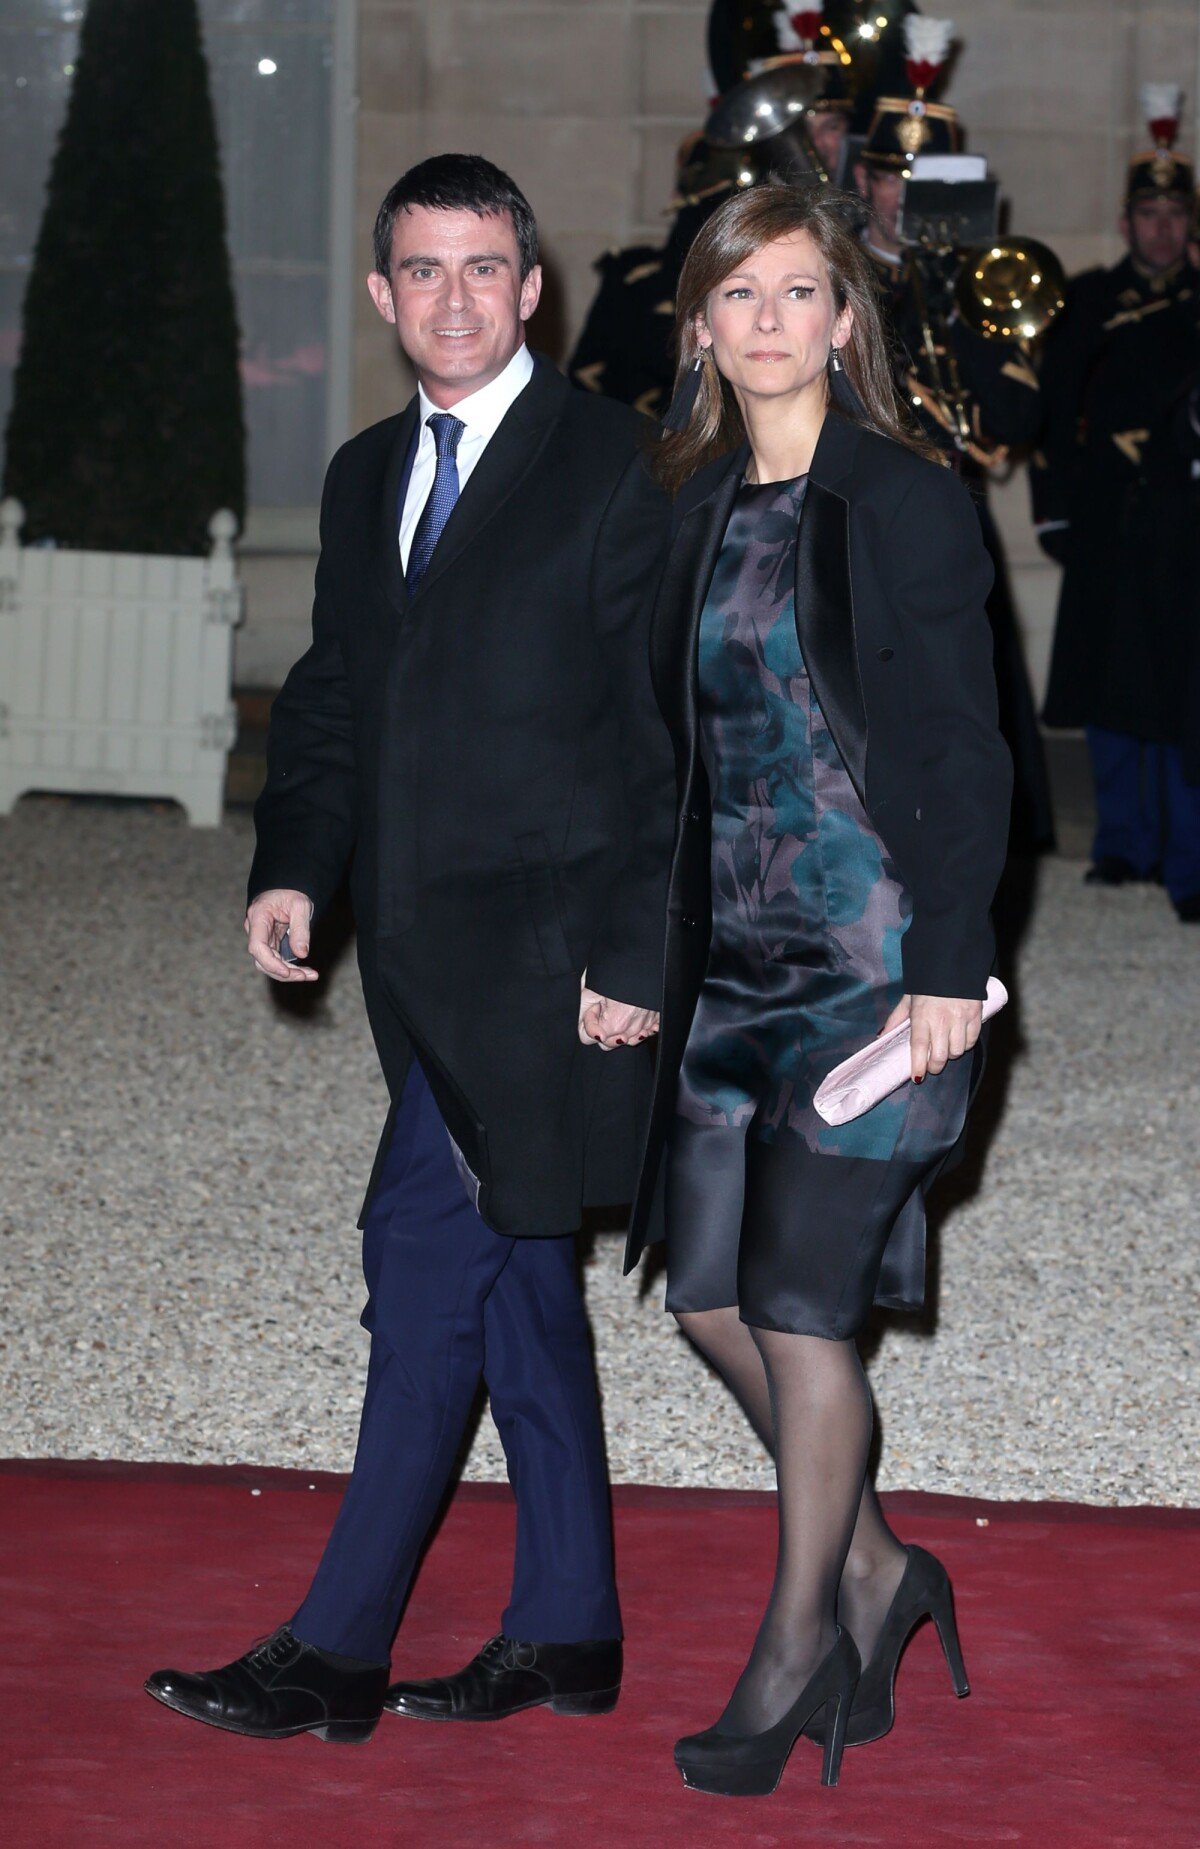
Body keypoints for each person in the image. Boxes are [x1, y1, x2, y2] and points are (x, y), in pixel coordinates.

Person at [144, 154, 674, 1744]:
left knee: (420, 1267)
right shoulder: (374, 467)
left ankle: (338, 1648)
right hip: (421, 967)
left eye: (485, 267)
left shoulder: (621, 465)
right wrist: (299, 864)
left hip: (555, 960)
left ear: (535, 287)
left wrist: (637, 956)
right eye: (423, 270)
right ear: (383, 296)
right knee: (515, 1284)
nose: (455, 297)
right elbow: (333, 697)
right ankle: (572, 1625)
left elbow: (667, 741)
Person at [625, 182, 1011, 1797]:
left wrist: (945, 962)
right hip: (730, 960)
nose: (770, 320)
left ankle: (799, 1643)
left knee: (800, 1307)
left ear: (846, 322)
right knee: (708, 1294)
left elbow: (965, 745)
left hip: (870, 966)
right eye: (741, 295)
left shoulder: (908, 497)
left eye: (801, 292)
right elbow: (661, 757)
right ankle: (876, 1562)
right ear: (703, 325)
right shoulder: (687, 498)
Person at [853, 71, 1055, 852]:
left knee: (961, 708)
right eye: (888, 178)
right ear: (863, 180)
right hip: (848, 519)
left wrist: (953, 302)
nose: (903, 199)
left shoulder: (977, 287)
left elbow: (1012, 421)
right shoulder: (828, 275)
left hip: (946, 519)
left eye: (921, 184)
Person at [1031, 88, 1200, 919]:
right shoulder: (1088, 302)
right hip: (1104, 524)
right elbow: (1051, 413)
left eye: (1175, 214)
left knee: (1181, 692)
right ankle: (1121, 844)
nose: (1162, 228)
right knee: (1106, 689)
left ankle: (1185, 856)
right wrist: (1049, 510)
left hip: (1184, 529)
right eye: (1148, 213)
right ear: (1126, 221)